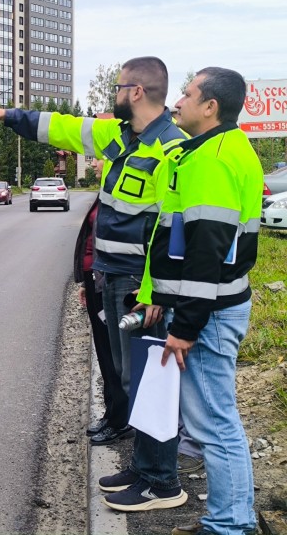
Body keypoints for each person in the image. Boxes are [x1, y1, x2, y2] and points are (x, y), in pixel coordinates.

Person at [0, 56, 189, 508]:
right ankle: (144, 468)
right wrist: (7, 115)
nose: (114, 93)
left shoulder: (174, 150)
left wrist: (154, 295)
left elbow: (172, 233)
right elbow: (62, 127)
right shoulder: (119, 137)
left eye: (119, 86)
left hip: (140, 288)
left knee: (149, 381)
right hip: (111, 277)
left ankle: (162, 480)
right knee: (128, 379)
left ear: (137, 92)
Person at [131, 68, 262, 535]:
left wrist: (185, 328)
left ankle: (229, 525)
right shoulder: (219, 150)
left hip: (210, 312)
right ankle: (232, 519)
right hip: (216, 305)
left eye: (187, 94)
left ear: (211, 107)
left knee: (214, 426)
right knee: (215, 420)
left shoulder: (213, 160)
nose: (177, 102)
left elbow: (207, 252)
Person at [73, 158, 126, 444]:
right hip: (97, 281)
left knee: (112, 354)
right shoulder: (106, 190)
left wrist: (98, 278)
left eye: (97, 158)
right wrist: (86, 281)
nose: (92, 163)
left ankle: (120, 419)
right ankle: (111, 413)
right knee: (105, 353)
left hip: (108, 281)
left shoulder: (120, 192)